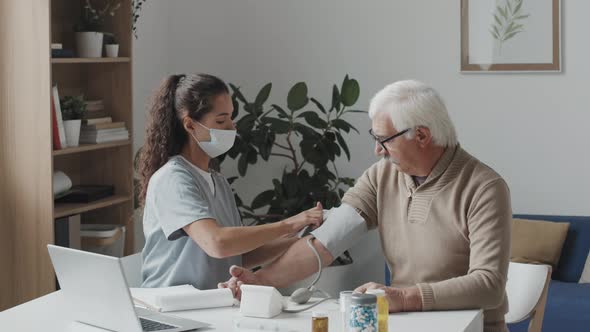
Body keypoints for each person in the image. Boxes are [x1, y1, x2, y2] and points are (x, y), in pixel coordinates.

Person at [220, 80, 512, 332]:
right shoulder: (382, 175)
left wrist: (404, 298)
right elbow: (326, 241)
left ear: (421, 136)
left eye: (384, 140)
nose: (377, 150)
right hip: (407, 324)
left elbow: (489, 285)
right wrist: (259, 281)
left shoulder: (484, 188)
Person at [138, 73, 323, 290]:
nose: (232, 128)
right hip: (172, 308)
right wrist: (290, 223)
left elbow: (238, 256)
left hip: (211, 306)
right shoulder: (172, 179)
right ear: (190, 125)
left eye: (231, 118)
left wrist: (303, 239)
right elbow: (217, 243)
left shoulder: (219, 182)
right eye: (220, 120)